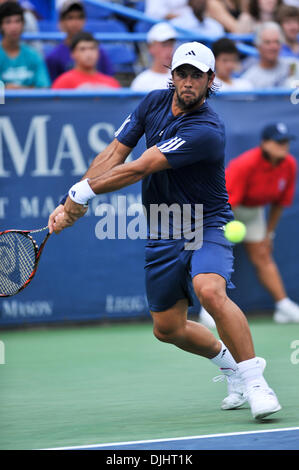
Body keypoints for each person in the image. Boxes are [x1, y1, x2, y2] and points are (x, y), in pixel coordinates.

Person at [48, 41, 282, 420]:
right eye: (182, 74)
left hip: (206, 223)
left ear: (210, 81)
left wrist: (82, 194)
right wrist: (68, 200)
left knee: (209, 289)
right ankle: (232, 369)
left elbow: (141, 166)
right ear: (171, 76)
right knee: (168, 328)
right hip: (163, 228)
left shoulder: (207, 128)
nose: (188, 82)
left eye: (197, 76)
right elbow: (113, 154)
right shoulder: (152, 102)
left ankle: (257, 382)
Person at [199, 122, 299, 327]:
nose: (284, 146)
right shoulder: (245, 164)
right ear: (265, 143)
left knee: (262, 254)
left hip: (254, 211)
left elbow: (279, 204)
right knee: (217, 256)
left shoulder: (289, 165)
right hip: (224, 209)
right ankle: (207, 309)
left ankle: (283, 306)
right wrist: (219, 233)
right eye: (279, 142)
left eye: (286, 142)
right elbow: (227, 202)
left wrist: (269, 234)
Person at [46, 0, 114, 84]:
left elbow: (109, 83)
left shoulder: (99, 52)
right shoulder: (54, 57)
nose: (75, 22)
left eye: (80, 17)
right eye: (70, 17)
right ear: (61, 22)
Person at [0, 1, 50, 88]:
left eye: (17, 21)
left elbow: (44, 88)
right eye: (8, 22)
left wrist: (16, 89)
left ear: (23, 24)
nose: (13, 27)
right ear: (1, 25)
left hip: (32, 102)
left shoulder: (34, 55)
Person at [51, 32, 121, 89]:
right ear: (73, 54)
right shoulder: (63, 82)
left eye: (92, 48)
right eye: (82, 49)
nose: (89, 53)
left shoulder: (112, 83)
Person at [240, 21, 297, 88]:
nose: (273, 47)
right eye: (267, 42)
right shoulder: (249, 80)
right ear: (258, 46)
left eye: (277, 42)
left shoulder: (294, 65)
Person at [130, 22, 177, 92]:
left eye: (171, 45)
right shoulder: (141, 82)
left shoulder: (179, 79)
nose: (169, 50)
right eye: (164, 45)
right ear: (151, 47)